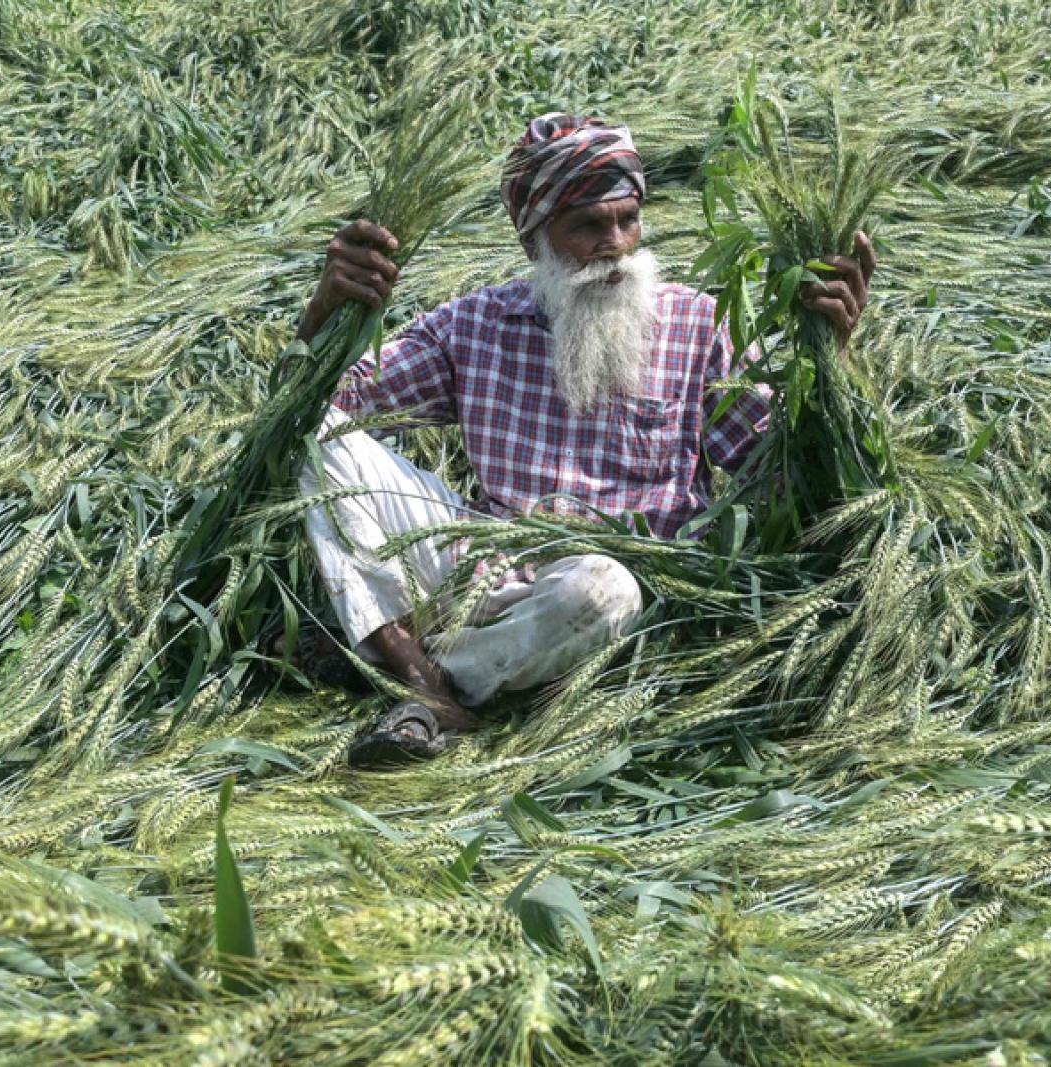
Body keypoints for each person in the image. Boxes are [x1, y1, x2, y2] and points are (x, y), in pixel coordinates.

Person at [296, 113, 876, 767]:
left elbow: (778, 482)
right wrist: (325, 308)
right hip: (477, 568)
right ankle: (428, 679)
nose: (616, 246)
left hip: (608, 598)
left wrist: (832, 364)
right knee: (317, 434)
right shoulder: (475, 326)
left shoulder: (699, 328)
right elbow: (320, 401)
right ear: (533, 238)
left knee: (602, 589)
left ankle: (415, 680)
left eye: (628, 218)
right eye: (588, 226)